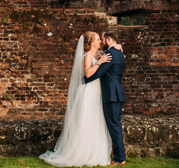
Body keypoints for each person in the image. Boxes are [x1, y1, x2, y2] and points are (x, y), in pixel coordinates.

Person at [39, 32, 114, 167]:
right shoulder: (87, 56)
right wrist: (100, 63)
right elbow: (88, 73)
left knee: (97, 119)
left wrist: (116, 47)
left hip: (98, 90)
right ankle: (82, 152)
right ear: (90, 43)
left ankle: (95, 152)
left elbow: (114, 48)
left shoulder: (100, 54)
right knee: (86, 120)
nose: (100, 42)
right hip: (89, 91)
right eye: (97, 40)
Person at [84, 30, 127, 166]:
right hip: (118, 93)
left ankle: (120, 158)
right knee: (115, 125)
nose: (101, 42)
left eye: (102, 39)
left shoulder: (110, 53)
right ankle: (119, 156)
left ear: (108, 39)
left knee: (114, 126)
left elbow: (100, 72)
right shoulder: (120, 53)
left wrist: (85, 80)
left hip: (111, 95)